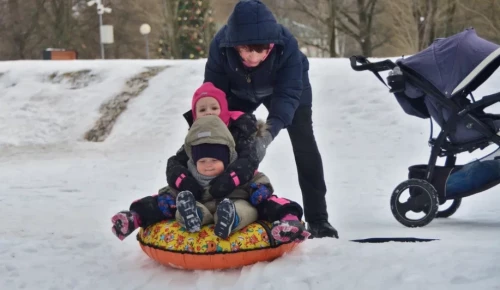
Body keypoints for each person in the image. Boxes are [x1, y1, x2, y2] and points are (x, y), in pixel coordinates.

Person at [197, 0, 338, 238]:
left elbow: (287, 98)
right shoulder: (221, 46)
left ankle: (318, 219)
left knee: (304, 143)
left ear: (271, 45)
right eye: (245, 49)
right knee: (222, 142)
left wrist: (267, 136)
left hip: (287, 92)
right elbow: (213, 94)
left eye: (261, 49)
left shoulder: (288, 47)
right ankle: (218, 207)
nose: (254, 57)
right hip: (239, 92)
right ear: (234, 45)